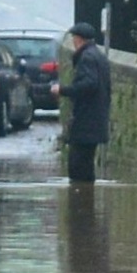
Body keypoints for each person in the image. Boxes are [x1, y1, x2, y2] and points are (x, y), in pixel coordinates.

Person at [57, 24, 109, 183]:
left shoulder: (86, 58)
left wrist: (63, 90)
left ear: (78, 39)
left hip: (86, 122)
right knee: (85, 166)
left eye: (74, 38)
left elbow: (89, 84)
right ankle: (87, 201)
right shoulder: (99, 56)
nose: (73, 41)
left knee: (77, 167)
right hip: (96, 120)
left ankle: (81, 204)